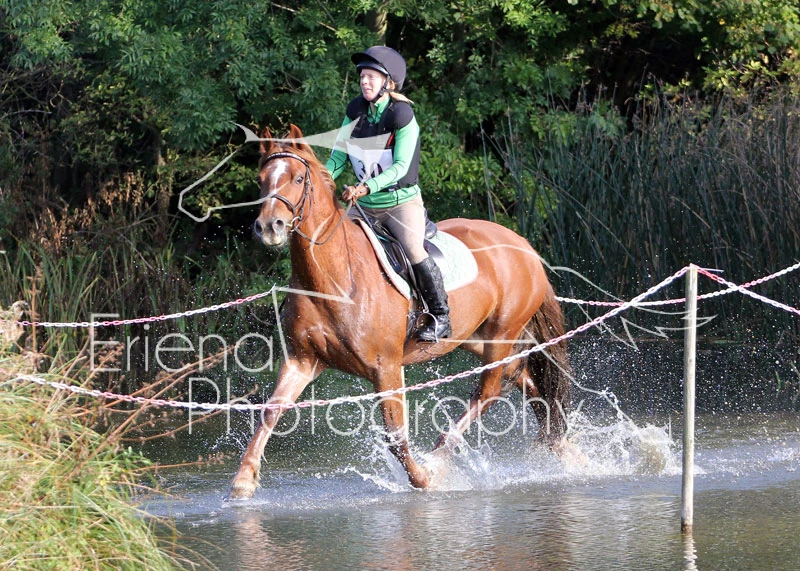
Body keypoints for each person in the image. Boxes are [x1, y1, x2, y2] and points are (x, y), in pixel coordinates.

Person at [326, 46, 451, 343]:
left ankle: (441, 316)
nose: (364, 81)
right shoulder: (355, 111)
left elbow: (400, 166)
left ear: (388, 82)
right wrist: (321, 180)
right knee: (327, 238)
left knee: (413, 248)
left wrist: (366, 187)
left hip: (400, 203)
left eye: (371, 76)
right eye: (362, 76)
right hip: (363, 205)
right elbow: (338, 158)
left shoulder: (402, 115)